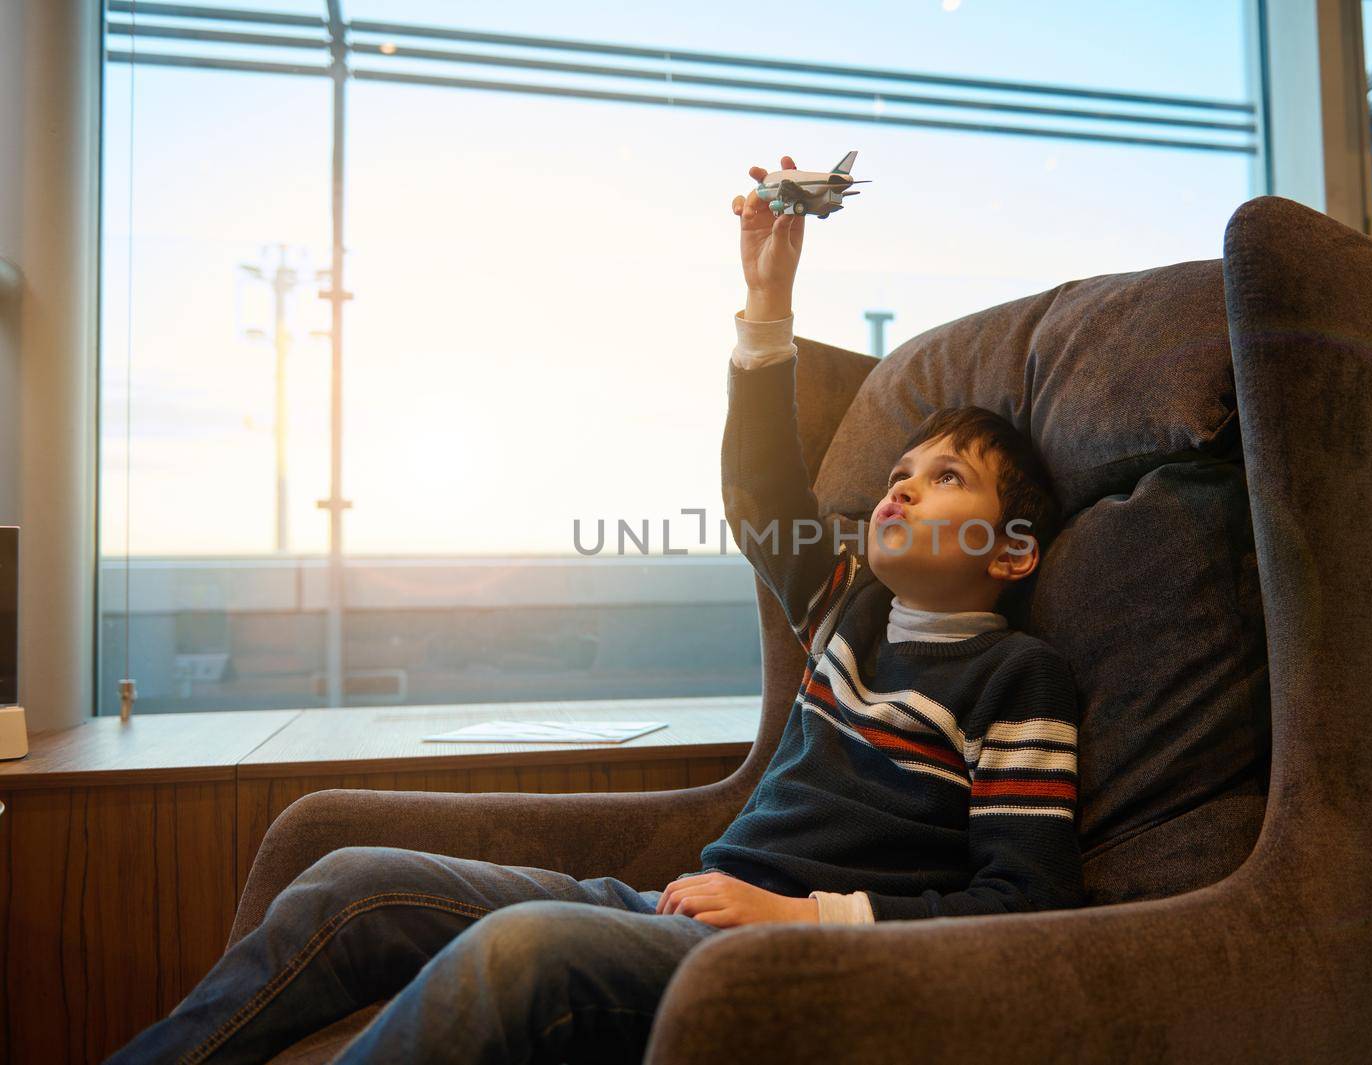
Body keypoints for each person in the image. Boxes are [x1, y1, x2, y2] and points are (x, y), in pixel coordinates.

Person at [104, 154, 1083, 1065]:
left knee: (522, 951)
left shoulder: (1016, 683)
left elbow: (1025, 901)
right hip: (661, 908)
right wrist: (766, 301)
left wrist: (799, 919)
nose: (900, 488)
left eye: (945, 476)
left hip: (773, 957)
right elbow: (759, 499)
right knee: (353, 881)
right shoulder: (849, 613)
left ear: (1011, 551)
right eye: (900, 471)